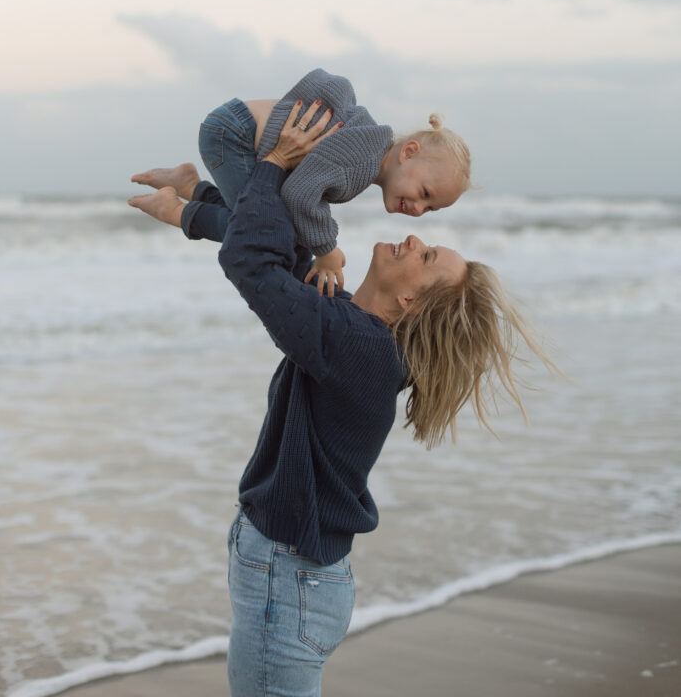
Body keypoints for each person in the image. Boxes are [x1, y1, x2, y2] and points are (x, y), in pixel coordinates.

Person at [129, 103, 552, 697]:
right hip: (295, 577)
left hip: (290, 578)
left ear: (412, 304)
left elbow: (253, 261)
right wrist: (193, 200)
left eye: (427, 256)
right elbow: (279, 254)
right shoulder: (354, 330)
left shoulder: (357, 347)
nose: (414, 234)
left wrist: (275, 164)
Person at [128, 68, 471, 295]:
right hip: (233, 136)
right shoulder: (362, 160)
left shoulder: (367, 149)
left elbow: (305, 198)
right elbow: (300, 194)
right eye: (424, 193)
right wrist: (327, 251)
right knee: (255, 231)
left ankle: (191, 186)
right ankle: (174, 209)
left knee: (275, 228)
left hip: (232, 127)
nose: (418, 208)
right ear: (408, 152)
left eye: (429, 209)